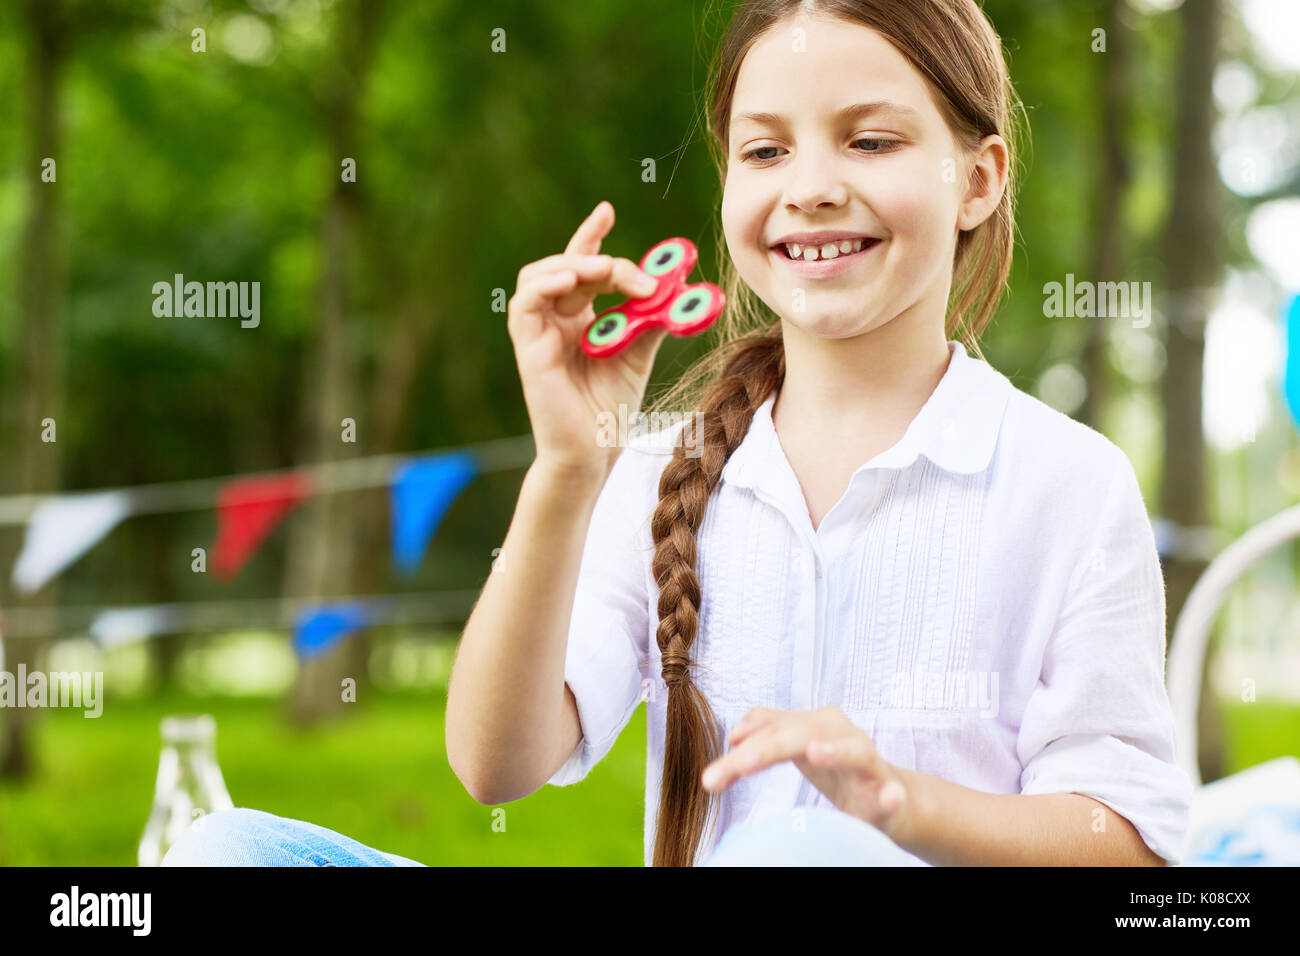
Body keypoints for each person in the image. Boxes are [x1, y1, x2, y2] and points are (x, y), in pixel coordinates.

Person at [165, 0, 1193, 868]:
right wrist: (572, 465)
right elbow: (496, 761)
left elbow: (1130, 845)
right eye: (764, 149)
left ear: (977, 178)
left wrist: (890, 803)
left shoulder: (1068, 483)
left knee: (803, 845)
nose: (811, 184)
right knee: (229, 851)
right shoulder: (667, 466)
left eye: (869, 139)